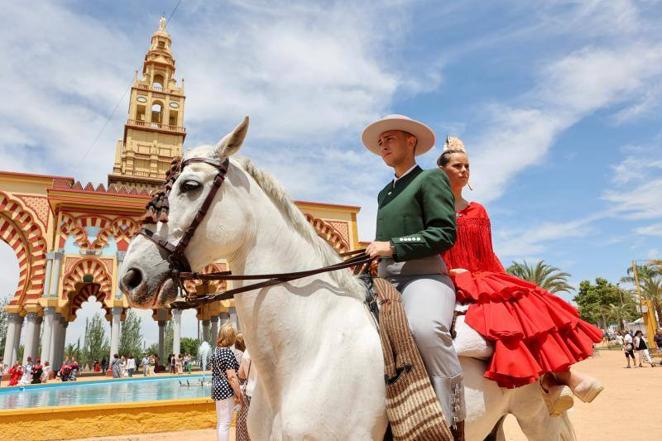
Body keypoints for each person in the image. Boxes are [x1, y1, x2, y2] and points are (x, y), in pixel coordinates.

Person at [437, 137, 604, 413]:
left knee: (528, 307)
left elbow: (487, 252)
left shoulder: (478, 209)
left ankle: (561, 378)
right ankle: (554, 382)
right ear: (442, 171)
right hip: (450, 274)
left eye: (467, 166)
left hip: (482, 273)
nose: (465, 171)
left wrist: (498, 280)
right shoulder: (433, 210)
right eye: (457, 166)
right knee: (502, 321)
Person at [362, 114, 465, 438]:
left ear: (411, 142)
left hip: (424, 277)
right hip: (385, 279)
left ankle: (453, 415)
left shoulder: (431, 178)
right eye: (380, 142)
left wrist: (391, 246)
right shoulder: (384, 194)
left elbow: (444, 233)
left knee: (425, 328)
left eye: (389, 138)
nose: (383, 145)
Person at [209, 324, 244, 441]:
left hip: (217, 389)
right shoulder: (227, 353)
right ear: (230, 337)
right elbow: (232, 377)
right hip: (226, 390)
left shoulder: (216, 352)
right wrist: (238, 393)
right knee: (225, 423)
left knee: (221, 422)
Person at [237, 348, 257, 441]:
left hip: (249, 391)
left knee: (248, 424)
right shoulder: (263, 349)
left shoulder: (246, 351)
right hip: (261, 393)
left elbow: (241, 374)